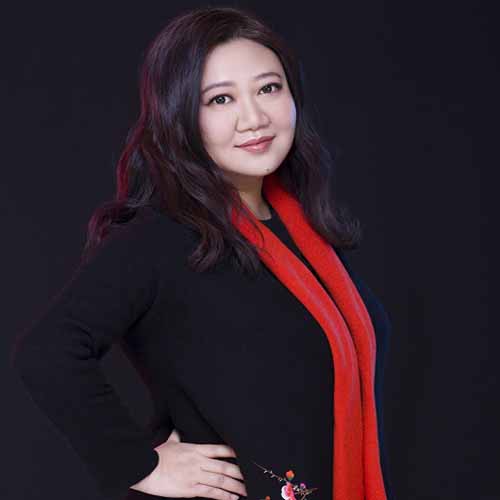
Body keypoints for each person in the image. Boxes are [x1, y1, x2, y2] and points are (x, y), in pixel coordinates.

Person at [10, 6, 395, 500]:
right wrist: (139, 464)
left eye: (268, 88)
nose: (253, 118)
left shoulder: (305, 232)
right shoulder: (162, 235)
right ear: (180, 116)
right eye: (220, 99)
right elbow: (47, 353)